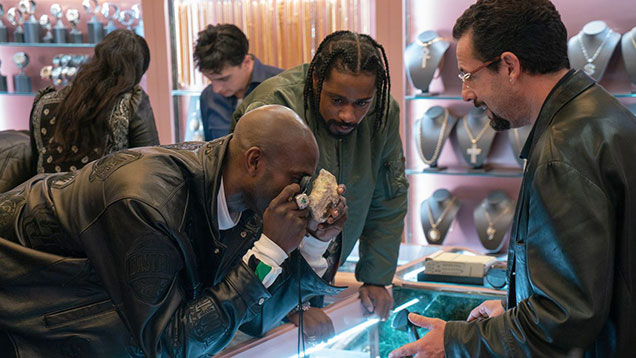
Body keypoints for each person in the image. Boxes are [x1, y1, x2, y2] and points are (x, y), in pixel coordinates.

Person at [389, 0, 636, 357]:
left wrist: (458, 340)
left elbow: (564, 319)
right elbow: (593, 284)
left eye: (467, 75)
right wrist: (516, 306)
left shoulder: (561, 153)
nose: (466, 93)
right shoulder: (599, 114)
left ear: (509, 66)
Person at [0, 105, 346, 358]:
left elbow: (251, 318)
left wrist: (315, 242)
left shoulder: (247, 197)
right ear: (254, 162)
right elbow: (170, 344)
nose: (302, 192)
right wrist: (270, 250)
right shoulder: (145, 202)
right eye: (297, 178)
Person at [233, 30, 408, 342]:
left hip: (323, 274)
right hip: (252, 296)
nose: (348, 114)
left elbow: (388, 198)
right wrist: (291, 303)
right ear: (315, 81)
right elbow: (245, 220)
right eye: (338, 100)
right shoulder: (273, 106)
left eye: (361, 103)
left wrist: (376, 277)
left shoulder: (383, 111)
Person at [30, 29, 159, 175]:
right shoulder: (131, 101)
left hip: (45, 195)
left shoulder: (44, 102)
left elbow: (34, 167)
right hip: (107, 196)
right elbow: (151, 166)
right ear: (137, 71)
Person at [194, 24, 283, 141]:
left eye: (224, 79)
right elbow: (211, 154)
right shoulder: (208, 97)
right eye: (211, 79)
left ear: (246, 62)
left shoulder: (281, 87)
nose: (216, 89)